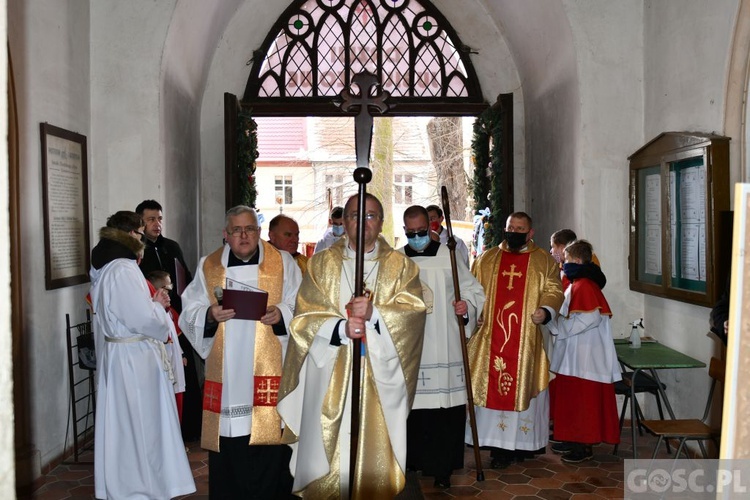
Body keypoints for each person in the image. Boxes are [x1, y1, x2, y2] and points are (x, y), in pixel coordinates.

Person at [277, 194, 426, 498]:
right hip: (329, 373)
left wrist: (375, 316)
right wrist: (339, 328)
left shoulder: (400, 266)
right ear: (344, 222)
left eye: (371, 216)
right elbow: (304, 317)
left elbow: (413, 314)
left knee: (372, 444)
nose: (363, 223)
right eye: (356, 215)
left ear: (381, 223)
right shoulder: (321, 264)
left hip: (377, 376)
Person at [179, 205, 302, 499]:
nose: (243, 235)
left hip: (271, 367)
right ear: (226, 235)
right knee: (230, 445)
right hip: (229, 375)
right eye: (236, 230)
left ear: (259, 233)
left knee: (271, 442)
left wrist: (282, 314)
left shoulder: (284, 263)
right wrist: (209, 315)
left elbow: (303, 304)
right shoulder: (208, 266)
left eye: (249, 229)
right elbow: (189, 310)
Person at [89, 211, 195, 499]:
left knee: (127, 424)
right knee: (142, 424)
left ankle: (135, 482)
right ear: (130, 235)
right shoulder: (122, 268)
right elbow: (140, 318)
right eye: (139, 233)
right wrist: (159, 306)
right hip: (134, 357)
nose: (143, 240)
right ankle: (139, 486)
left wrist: (150, 305)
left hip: (121, 353)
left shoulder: (104, 266)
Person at [466, 211, 564, 469]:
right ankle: (497, 447)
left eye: (520, 229)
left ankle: (524, 445)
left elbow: (554, 289)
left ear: (530, 233)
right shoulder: (487, 259)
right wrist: (475, 312)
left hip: (527, 341)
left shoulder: (543, 260)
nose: (515, 232)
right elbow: (472, 290)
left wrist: (546, 311)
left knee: (526, 390)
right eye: (511, 227)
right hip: (491, 339)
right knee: (491, 384)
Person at [399, 205, 486, 488]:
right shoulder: (396, 261)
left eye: (421, 232)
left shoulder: (449, 256)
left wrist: (466, 308)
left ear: (431, 227)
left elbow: (474, 292)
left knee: (445, 410)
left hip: (445, 344)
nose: (416, 237)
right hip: (412, 346)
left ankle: (443, 469)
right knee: (413, 410)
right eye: (410, 233)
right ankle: (412, 462)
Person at [546, 240, 620, 463]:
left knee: (583, 404)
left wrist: (559, 328)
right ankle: (571, 438)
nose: (564, 265)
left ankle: (583, 445)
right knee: (572, 401)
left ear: (577, 261)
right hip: (574, 355)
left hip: (586, 357)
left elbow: (588, 318)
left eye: (567, 261)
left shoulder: (586, 285)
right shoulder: (579, 283)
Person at [135, 199, 203, 442]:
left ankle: (190, 428)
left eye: (160, 218)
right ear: (140, 223)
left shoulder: (171, 246)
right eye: (151, 219)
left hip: (178, 318)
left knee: (186, 371)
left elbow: (186, 278)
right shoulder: (137, 251)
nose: (157, 224)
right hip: (154, 321)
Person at [147, 270, 187, 424]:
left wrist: (181, 354)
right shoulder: (155, 314)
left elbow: (174, 339)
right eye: (167, 289)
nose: (170, 293)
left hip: (175, 366)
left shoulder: (168, 312)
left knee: (178, 407)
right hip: (166, 369)